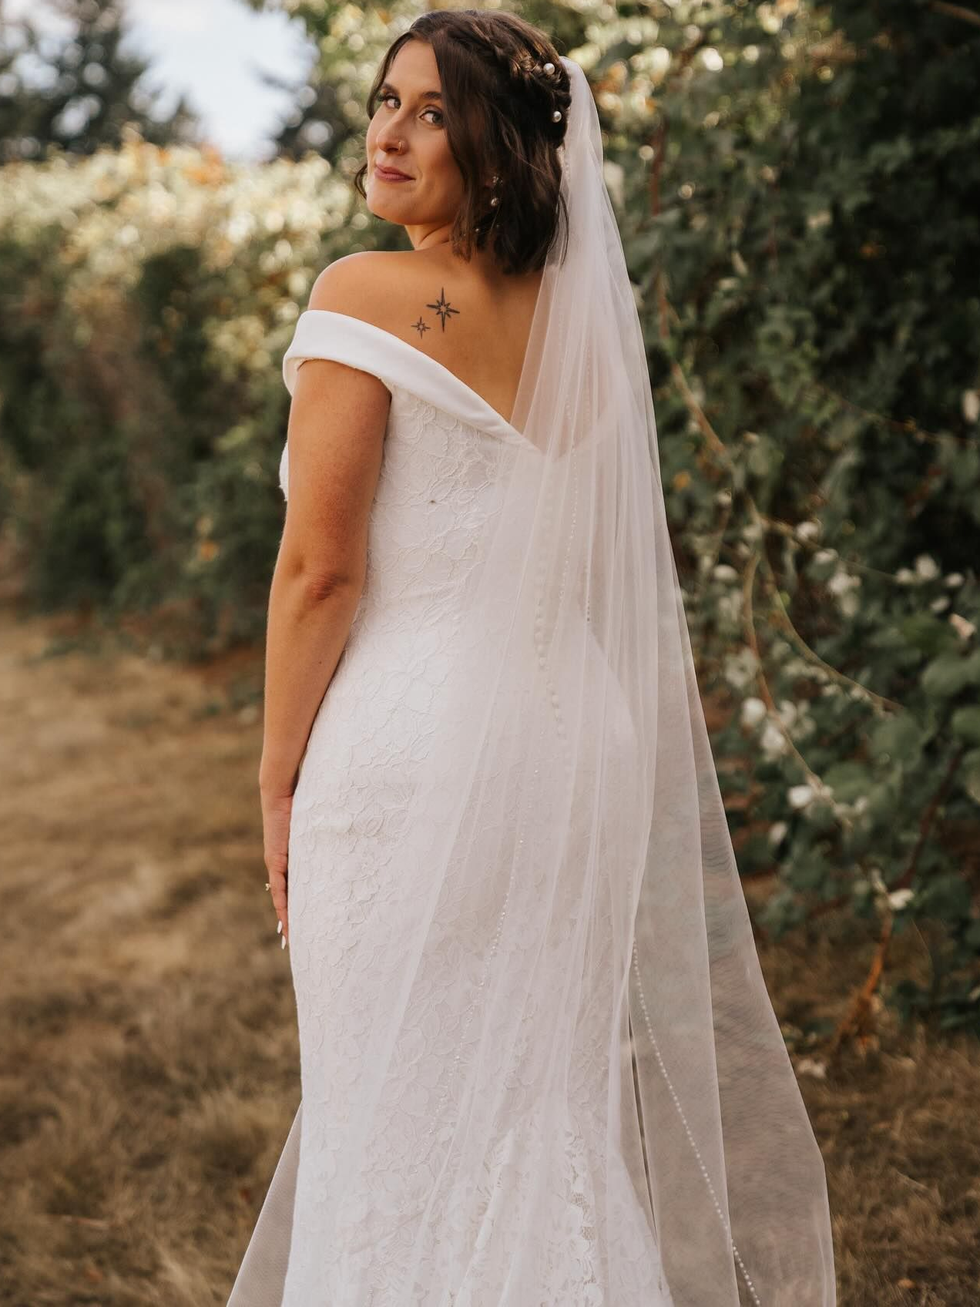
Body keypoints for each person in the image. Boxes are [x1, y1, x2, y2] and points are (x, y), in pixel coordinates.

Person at [227, 10, 837, 1306]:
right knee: (537, 1107)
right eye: (385, 101)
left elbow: (318, 570)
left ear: (498, 145)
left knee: (387, 1104)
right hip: (575, 744)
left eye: (432, 111)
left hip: (409, 746)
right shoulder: (581, 333)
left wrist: (277, 776)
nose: (388, 132)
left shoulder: (362, 292)